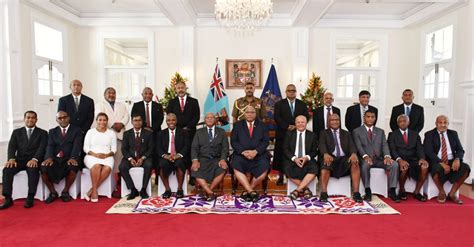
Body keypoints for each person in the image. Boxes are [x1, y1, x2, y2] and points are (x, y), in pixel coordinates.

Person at [0, 111, 48, 209]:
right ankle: (8, 198)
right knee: (7, 170)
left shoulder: (43, 133)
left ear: (36, 119)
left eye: (33, 118)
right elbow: (12, 147)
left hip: (34, 160)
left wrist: (35, 159)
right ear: (24, 119)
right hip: (19, 160)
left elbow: (42, 148)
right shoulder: (16, 132)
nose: (30, 119)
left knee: (33, 170)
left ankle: (30, 197)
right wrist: (11, 159)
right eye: (28, 117)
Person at [352, 110, 399, 202]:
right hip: (365, 159)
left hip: (379, 159)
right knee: (365, 165)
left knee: (395, 165)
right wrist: (365, 156)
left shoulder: (380, 131)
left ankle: (392, 190)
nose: (370, 119)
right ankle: (367, 189)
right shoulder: (357, 131)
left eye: (372, 117)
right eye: (368, 117)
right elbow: (358, 146)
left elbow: (384, 145)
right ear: (364, 118)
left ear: (375, 118)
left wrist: (387, 156)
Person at [424, 115, 470, 204]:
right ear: (436, 124)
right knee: (436, 168)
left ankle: (452, 193)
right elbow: (429, 152)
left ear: (448, 124)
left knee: (466, 168)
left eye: (445, 123)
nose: (443, 125)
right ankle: (441, 192)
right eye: (440, 123)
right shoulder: (429, 134)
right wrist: (441, 163)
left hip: (451, 160)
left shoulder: (453, 133)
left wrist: (457, 159)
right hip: (437, 160)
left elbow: (460, 150)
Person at [319, 114, 362, 203]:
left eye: (337, 120)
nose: (335, 122)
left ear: (340, 121)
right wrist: (325, 154)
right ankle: (323, 192)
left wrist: (353, 153)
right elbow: (321, 144)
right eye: (332, 120)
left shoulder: (346, 133)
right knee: (325, 163)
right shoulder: (324, 133)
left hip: (344, 159)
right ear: (329, 122)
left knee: (355, 162)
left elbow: (352, 146)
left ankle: (356, 193)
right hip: (331, 158)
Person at [41, 111, 83, 203]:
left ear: (69, 118)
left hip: (70, 157)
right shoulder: (52, 131)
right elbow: (50, 146)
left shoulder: (77, 130)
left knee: (73, 166)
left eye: (65, 117)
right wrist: (48, 158)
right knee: (44, 168)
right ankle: (53, 192)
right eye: (60, 118)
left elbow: (77, 145)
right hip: (55, 158)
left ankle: (65, 191)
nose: (63, 119)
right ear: (56, 120)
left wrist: (73, 157)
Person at [95, 87, 130, 197]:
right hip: (107, 134)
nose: (111, 95)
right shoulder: (100, 105)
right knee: (109, 159)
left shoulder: (121, 105)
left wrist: (121, 124)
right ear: (104, 94)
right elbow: (100, 117)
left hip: (120, 134)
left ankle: (119, 179)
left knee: (119, 157)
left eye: (113, 93)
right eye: (109, 93)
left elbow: (126, 116)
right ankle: (110, 182)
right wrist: (113, 125)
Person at [231, 106, 270, 202]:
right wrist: (243, 152)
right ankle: (251, 191)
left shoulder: (262, 125)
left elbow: (265, 141)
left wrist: (256, 151)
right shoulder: (237, 125)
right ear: (244, 114)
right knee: (235, 163)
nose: (249, 114)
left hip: (258, 154)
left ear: (255, 114)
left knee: (265, 166)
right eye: (247, 112)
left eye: (252, 112)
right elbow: (234, 141)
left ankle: (247, 190)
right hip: (241, 154)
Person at [388, 114, 429, 202]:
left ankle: (417, 192)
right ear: (397, 123)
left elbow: (419, 148)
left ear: (408, 122)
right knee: (404, 167)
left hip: (413, 159)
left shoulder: (415, 134)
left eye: (404, 121)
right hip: (400, 159)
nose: (402, 123)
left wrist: (422, 158)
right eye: (400, 121)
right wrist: (399, 160)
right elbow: (392, 150)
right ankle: (402, 190)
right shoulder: (392, 134)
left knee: (424, 167)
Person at [273, 84, 308, 186]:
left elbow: (305, 116)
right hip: (283, 133)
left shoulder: (302, 104)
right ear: (286, 92)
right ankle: (280, 176)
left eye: (293, 90)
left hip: (298, 133)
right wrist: (287, 126)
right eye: (289, 90)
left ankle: (293, 174)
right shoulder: (279, 104)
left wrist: (297, 126)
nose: (291, 92)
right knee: (281, 154)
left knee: (294, 153)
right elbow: (277, 117)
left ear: (296, 92)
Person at [190, 113, 229, 201]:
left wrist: (223, 159)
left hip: (216, 159)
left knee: (223, 168)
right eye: (208, 118)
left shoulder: (221, 132)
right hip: (202, 159)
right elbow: (194, 147)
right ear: (205, 120)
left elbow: (225, 148)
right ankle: (210, 193)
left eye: (212, 118)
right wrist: (195, 160)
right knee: (195, 169)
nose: (210, 119)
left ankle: (207, 191)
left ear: (215, 120)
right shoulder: (199, 132)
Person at [83, 113, 117, 202]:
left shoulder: (111, 133)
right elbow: (85, 147)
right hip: (92, 155)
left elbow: (114, 149)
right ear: (96, 121)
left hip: (107, 155)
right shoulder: (90, 132)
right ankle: (94, 192)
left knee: (107, 168)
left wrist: (107, 155)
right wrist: (95, 155)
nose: (102, 122)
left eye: (104, 120)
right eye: (100, 120)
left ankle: (91, 190)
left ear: (107, 121)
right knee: (97, 166)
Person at [283, 115, 318, 200]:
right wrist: (294, 158)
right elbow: (285, 149)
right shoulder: (289, 134)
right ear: (295, 123)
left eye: (302, 122)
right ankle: (306, 189)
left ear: (306, 123)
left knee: (315, 168)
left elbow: (314, 151)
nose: (300, 124)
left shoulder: (312, 135)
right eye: (298, 122)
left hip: (307, 160)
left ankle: (297, 191)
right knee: (286, 168)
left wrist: (306, 157)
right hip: (293, 160)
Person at [119, 114, 154, 200]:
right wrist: (130, 159)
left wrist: (143, 158)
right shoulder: (127, 133)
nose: (137, 122)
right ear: (132, 122)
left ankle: (143, 189)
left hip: (144, 157)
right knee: (122, 167)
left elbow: (151, 148)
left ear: (142, 122)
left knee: (149, 165)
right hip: (131, 157)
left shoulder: (148, 133)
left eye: (139, 120)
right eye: (135, 120)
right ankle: (133, 189)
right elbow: (124, 149)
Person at [156, 113, 189, 199]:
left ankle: (180, 189)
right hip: (166, 156)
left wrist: (179, 155)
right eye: (169, 120)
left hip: (179, 156)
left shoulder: (183, 132)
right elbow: (158, 148)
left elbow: (186, 146)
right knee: (161, 164)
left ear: (176, 121)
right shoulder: (161, 133)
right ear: (166, 122)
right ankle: (167, 190)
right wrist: (165, 156)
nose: (171, 122)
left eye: (173, 120)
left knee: (180, 163)